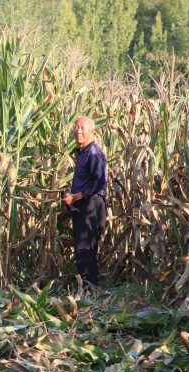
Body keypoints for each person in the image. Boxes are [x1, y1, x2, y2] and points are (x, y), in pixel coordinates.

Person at [62, 116, 107, 289]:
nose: (78, 131)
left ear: (91, 131)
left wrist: (76, 196)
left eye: (83, 128)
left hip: (91, 206)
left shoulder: (94, 153)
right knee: (83, 247)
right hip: (83, 204)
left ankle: (90, 290)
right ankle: (89, 288)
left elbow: (99, 183)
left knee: (85, 248)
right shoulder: (83, 152)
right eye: (76, 127)